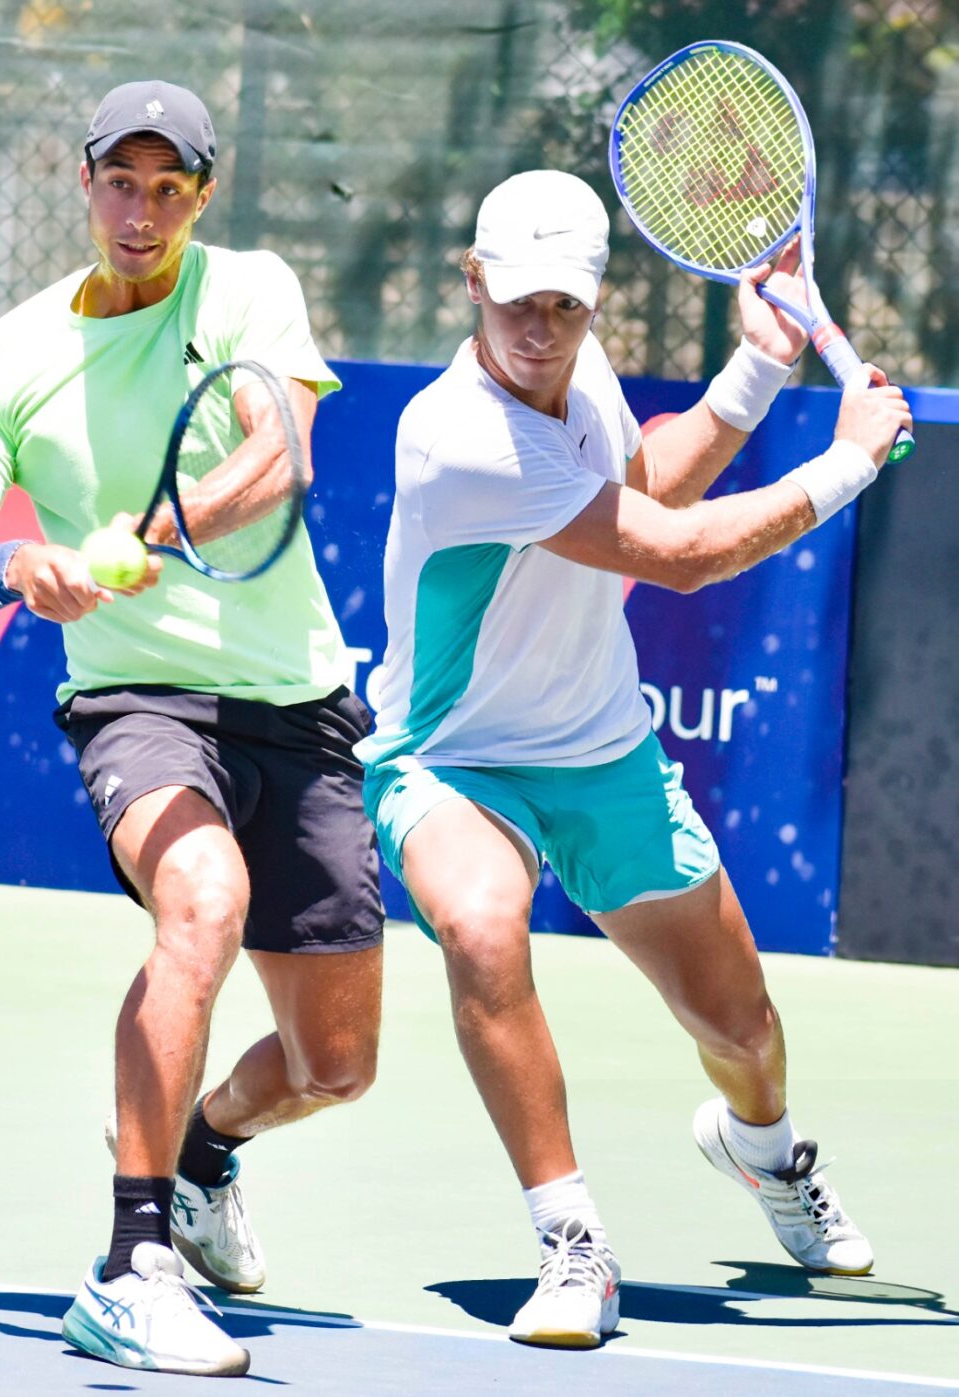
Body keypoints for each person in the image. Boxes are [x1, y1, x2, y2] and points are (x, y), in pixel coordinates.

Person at [357, 169, 911, 1350]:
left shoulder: (578, 372)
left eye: (564, 304)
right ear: (472, 280)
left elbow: (642, 488)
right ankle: (573, 1240)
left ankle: (764, 1150)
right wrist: (848, 462)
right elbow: (679, 553)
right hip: (452, 760)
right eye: (517, 299)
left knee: (743, 1030)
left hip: (603, 748)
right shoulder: (458, 437)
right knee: (482, 927)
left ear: (594, 301)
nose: (539, 326)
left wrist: (757, 369)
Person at [0, 80, 383, 1377]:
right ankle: (130, 1265)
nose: (140, 211)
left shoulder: (246, 290)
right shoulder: (3, 361)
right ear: (83, 182)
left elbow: (280, 453)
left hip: (297, 701)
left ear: (201, 195)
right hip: (137, 702)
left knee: (336, 1062)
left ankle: (202, 1151)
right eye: (119, 182)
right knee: (203, 901)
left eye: (167, 187)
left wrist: (148, 535)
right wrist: (18, 569)